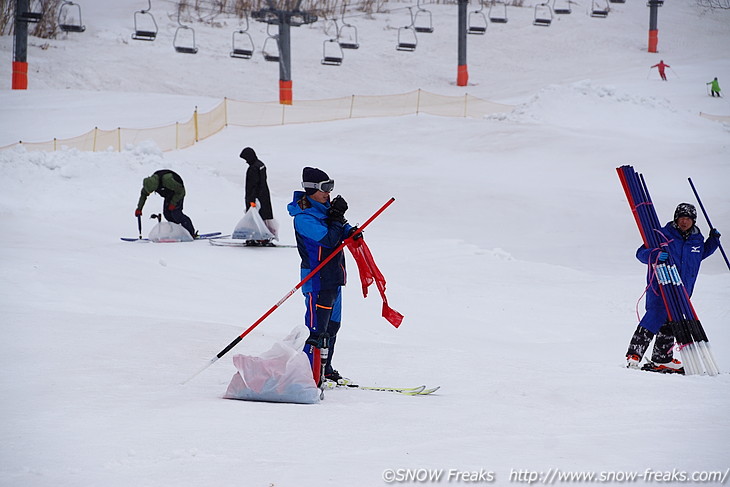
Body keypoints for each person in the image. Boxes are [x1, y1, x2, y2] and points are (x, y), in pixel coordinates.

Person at [625, 203, 720, 373]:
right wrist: (653, 255)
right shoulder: (662, 234)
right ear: (676, 219)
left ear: (694, 221)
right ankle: (634, 354)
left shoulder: (697, 239)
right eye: (682, 218)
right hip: (661, 287)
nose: (684, 222)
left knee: (671, 320)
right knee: (655, 316)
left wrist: (713, 242)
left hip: (683, 290)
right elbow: (640, 254)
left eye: (688, 219)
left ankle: (662, 359)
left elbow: (699, 255)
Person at [287, 167, 359, 386]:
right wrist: (337, 219)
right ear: (311, 190)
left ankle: (325, 369)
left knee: (332, 327)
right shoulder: (303, 217)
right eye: (325, 188)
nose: (329, 192)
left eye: (331, 186)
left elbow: (341, 232)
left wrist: (350, 231)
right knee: (317, 330)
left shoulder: (325, 210)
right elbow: (328, 240)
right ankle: (311, 373)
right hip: (317, 280)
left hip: (335, 277)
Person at [135, 169, 196, 238]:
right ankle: (177, 232)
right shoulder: (149, 183)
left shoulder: (167, 180)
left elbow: (181, 191)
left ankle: (191, 233)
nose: (150, 192)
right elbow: (144, 195)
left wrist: (173, 203)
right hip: (168, 195)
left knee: (176, 214)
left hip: (178, 194)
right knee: (167, 214)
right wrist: (139, 208)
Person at [239, 147, 277, 238]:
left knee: (256, 218)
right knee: (263, 217)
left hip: (256, 198)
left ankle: (258, 236)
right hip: (264, 196)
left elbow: (253, 186)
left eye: (246, 159)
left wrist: (251, 200)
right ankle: (265, 234)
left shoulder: (253, 169)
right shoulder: (261, 165)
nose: (246, 162)